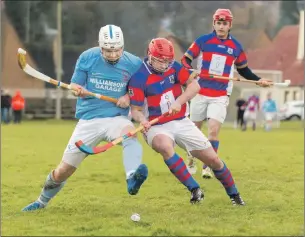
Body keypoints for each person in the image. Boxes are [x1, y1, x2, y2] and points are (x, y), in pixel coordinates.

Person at [22, 24, 148, 212]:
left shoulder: (134, 64)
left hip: (116, 118)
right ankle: (41, 201)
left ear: (123, 46)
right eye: (107, 51)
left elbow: (142, 90)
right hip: (89, 120)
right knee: (63, 170)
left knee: (130, 134)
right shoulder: (87, 57)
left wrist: (128, 97)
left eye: (117, 50)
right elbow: (75, 85)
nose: (113, 55)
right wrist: (76, 90)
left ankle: (132, 178)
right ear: (100, 46)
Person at [128, 37, 245, 205]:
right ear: (149, 55)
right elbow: (136, 110)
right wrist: (142, 120)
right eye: (160, 61)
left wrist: (179, 101)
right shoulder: (139, 77)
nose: (164, 65)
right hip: (156, 126)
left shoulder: (174, 67)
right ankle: (195, 190)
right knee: (165, 146)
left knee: (213, 160)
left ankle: (235, 195)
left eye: (167, 61)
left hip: (181, 121)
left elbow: (195, 86)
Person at [180, 8, 271, 178]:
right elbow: (185, 59)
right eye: (218, 23)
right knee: (195, 131)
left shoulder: (235, 46)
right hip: (200, 92)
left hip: (220, 95)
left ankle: (208, 165)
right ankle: (191, 157)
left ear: (230, 25)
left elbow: (244, 70)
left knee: (213, 131)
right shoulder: (203, 41)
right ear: (214, 24)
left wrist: (259, 80)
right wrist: (188, 70)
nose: (221, 26)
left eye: (225, 23)